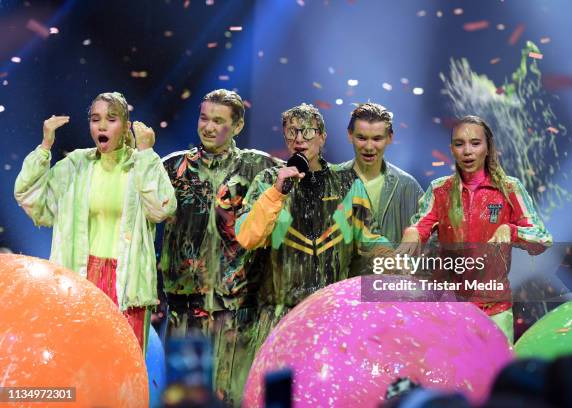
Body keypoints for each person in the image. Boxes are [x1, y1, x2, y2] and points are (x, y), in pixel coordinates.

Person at [14, 91, 176, 350]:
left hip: (127, 284)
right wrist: (45, 147)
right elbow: (31, 198)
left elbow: (161, 209)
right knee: (78, 359)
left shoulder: (140, 164)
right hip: (80, 277)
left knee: (123, 364)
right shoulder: (77, 164)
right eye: (95, 119)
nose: (101, 125)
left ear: (125, 126)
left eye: (111, 119)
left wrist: (146, 153)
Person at [235, 103, 390, 352]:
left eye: (308, 132)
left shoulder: (346, 183)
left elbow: (370, 241)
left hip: (332, 318)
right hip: (279, 319)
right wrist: (277, 192)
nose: (299, 139)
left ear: (322, 137)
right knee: (279, 391)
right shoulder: (268, 181)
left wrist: (401, 260)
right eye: (292, 131)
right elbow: (247, 237)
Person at [159, 89, 279, 404]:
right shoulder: (172, 169)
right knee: (184, 399)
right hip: (186, 308)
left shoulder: (259, 168)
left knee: (235, 398)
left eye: (218, 121)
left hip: (239, 309)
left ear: (237, 126)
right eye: (204, 118)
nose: (209, 127)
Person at [402, 115, 552, 342]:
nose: (467, 151)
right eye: (459, 144)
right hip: (449, 308)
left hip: (495, 310)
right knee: (451, 375)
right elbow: (420, 224)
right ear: (452, 149)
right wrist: (412, 232)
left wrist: (509, 230)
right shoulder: (439, 190)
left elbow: (542, 239)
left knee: (496, 375)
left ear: (488, 148)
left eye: (475, 143)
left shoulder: (509, 188)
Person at [336, 102, 423, 243]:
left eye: (377, 139)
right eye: (362, 138)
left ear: (390, 138)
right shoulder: (332, 181)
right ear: (350, 135)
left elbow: (428, 242)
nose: (369, 147)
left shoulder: (407, 186)